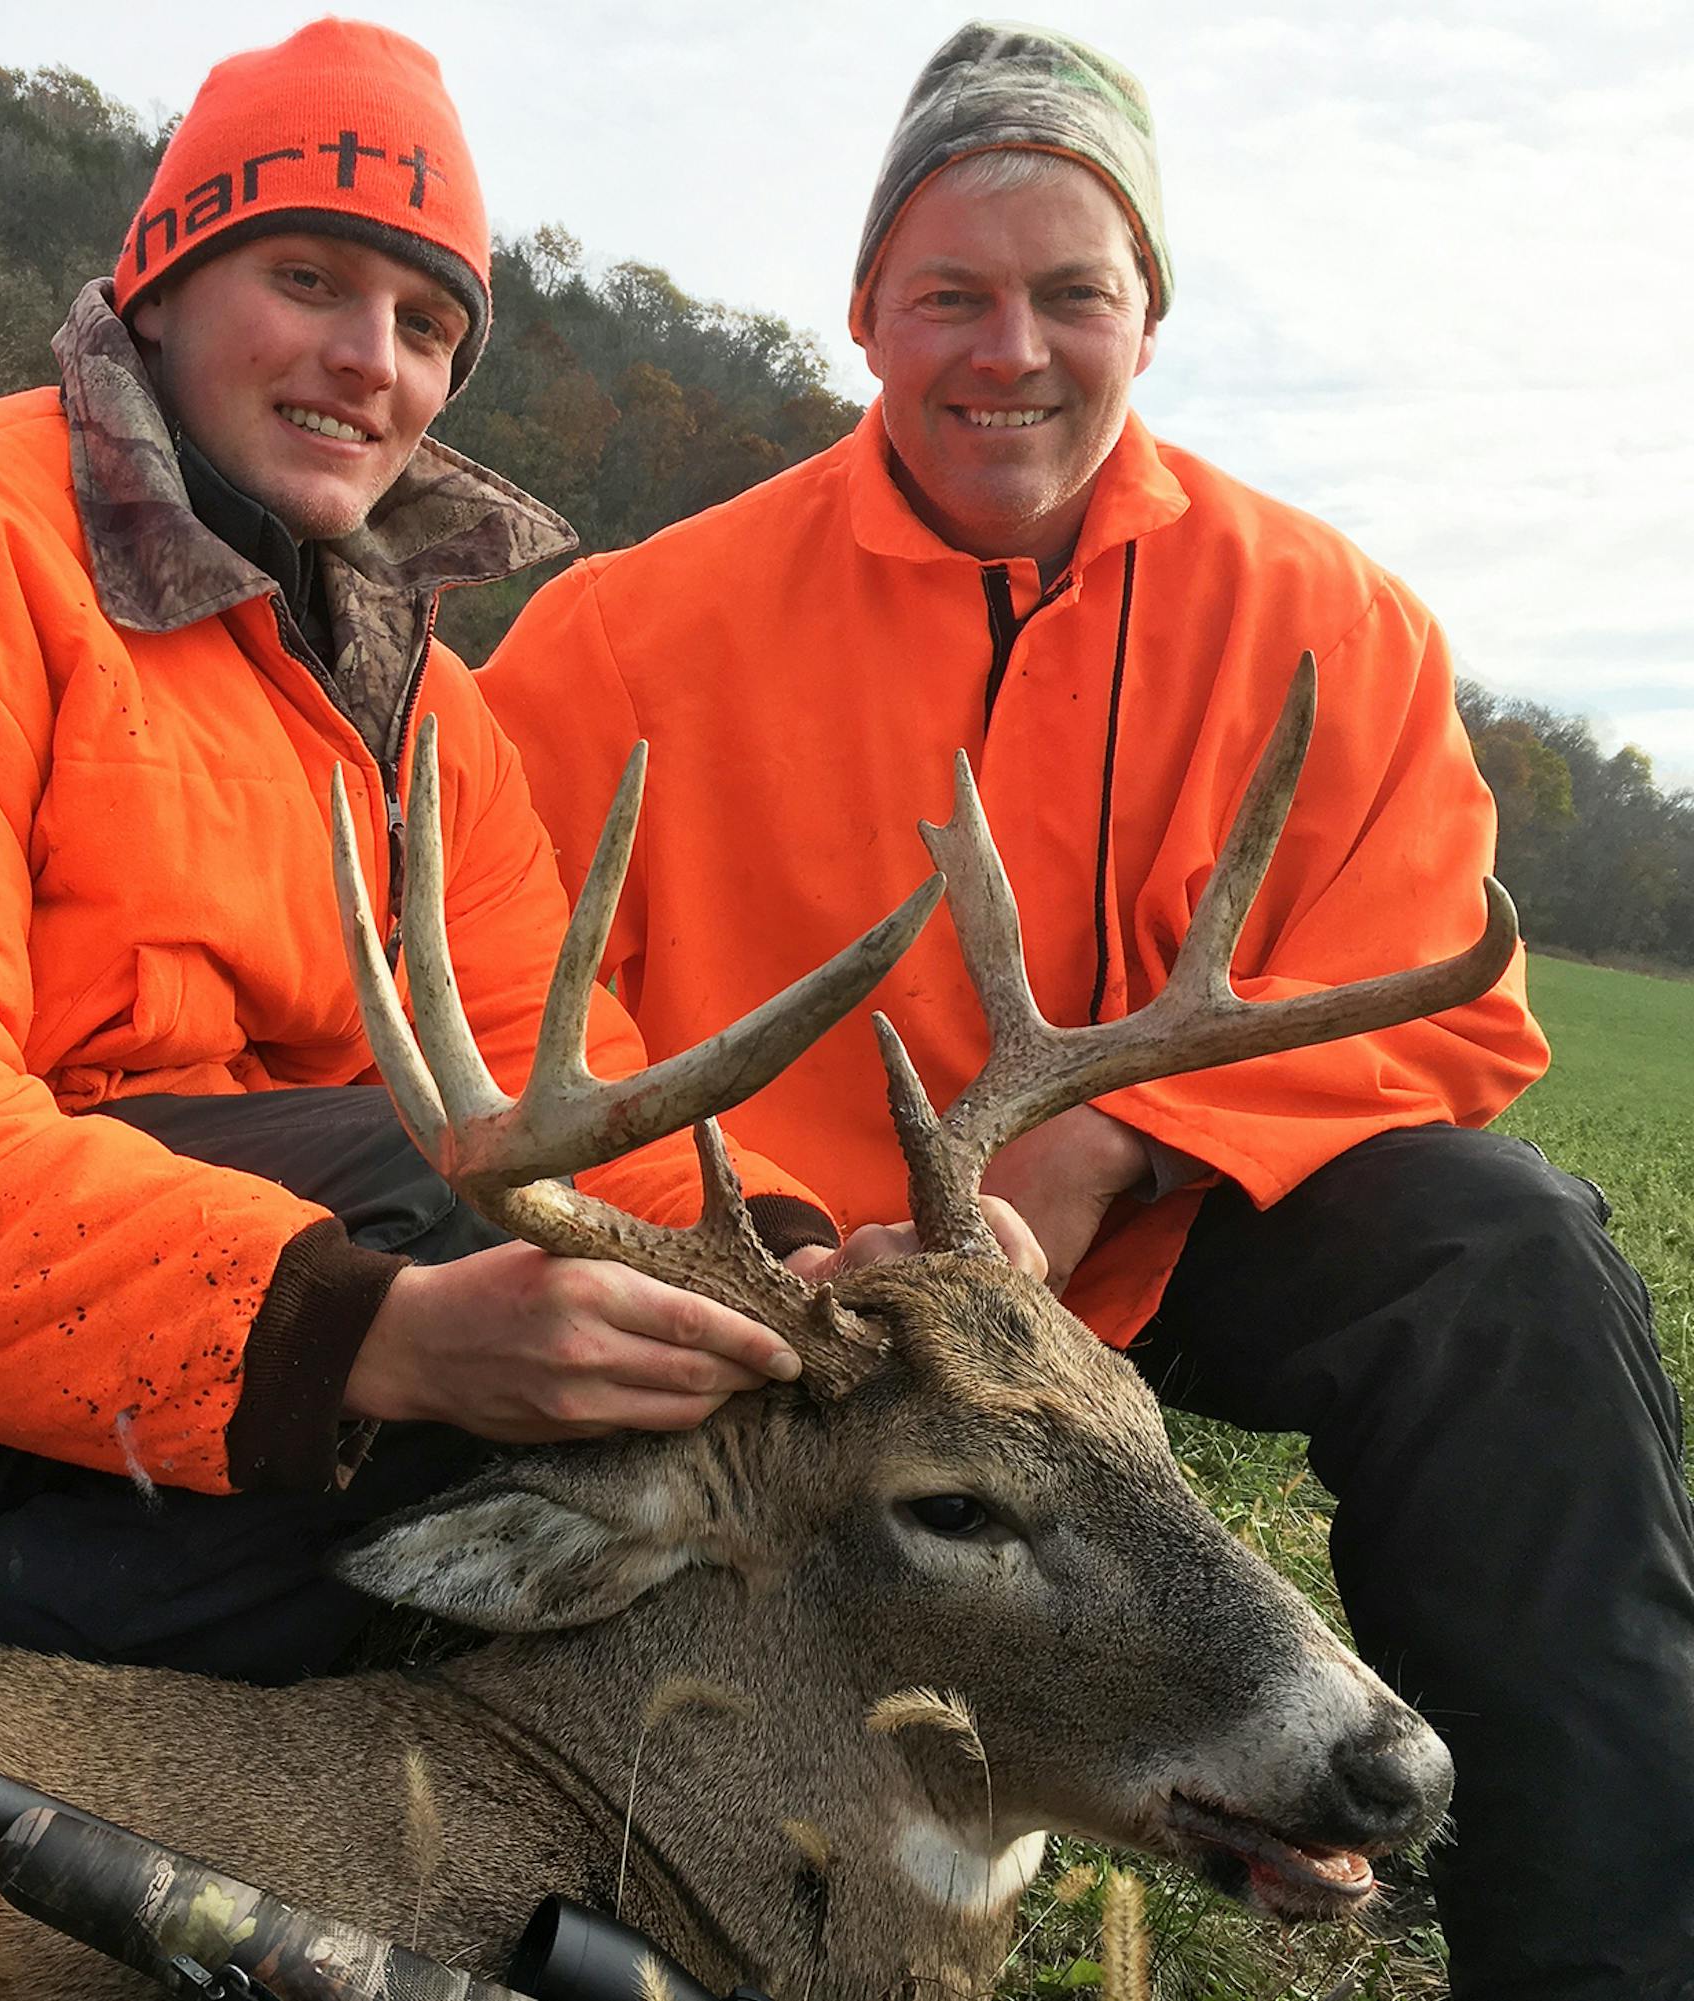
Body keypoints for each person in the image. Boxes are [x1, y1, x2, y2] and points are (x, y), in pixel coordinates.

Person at [0, 20, 991, 1685]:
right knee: (467, 1277)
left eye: (428, 324)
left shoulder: (420, 701)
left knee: (570, 1278)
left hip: (157, 1294)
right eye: (309, 280)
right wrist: (386, 1341)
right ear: (158, 286)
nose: (372, 358)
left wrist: (802, 1269)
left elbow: (545, 1075)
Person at [478, 23, 1694, 1997]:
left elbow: (1441, 984)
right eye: (950, 292)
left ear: (1151, 314)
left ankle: (1603, 1943)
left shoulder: (1328, 624)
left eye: (1074, 294)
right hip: (790, 1290)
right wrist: (778, 1241)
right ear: (868, 310)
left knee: (1512, 1268)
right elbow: (511, 974)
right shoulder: (631, 630)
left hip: (1155, 1243)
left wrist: (1133, 1137)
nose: (1009, 351)